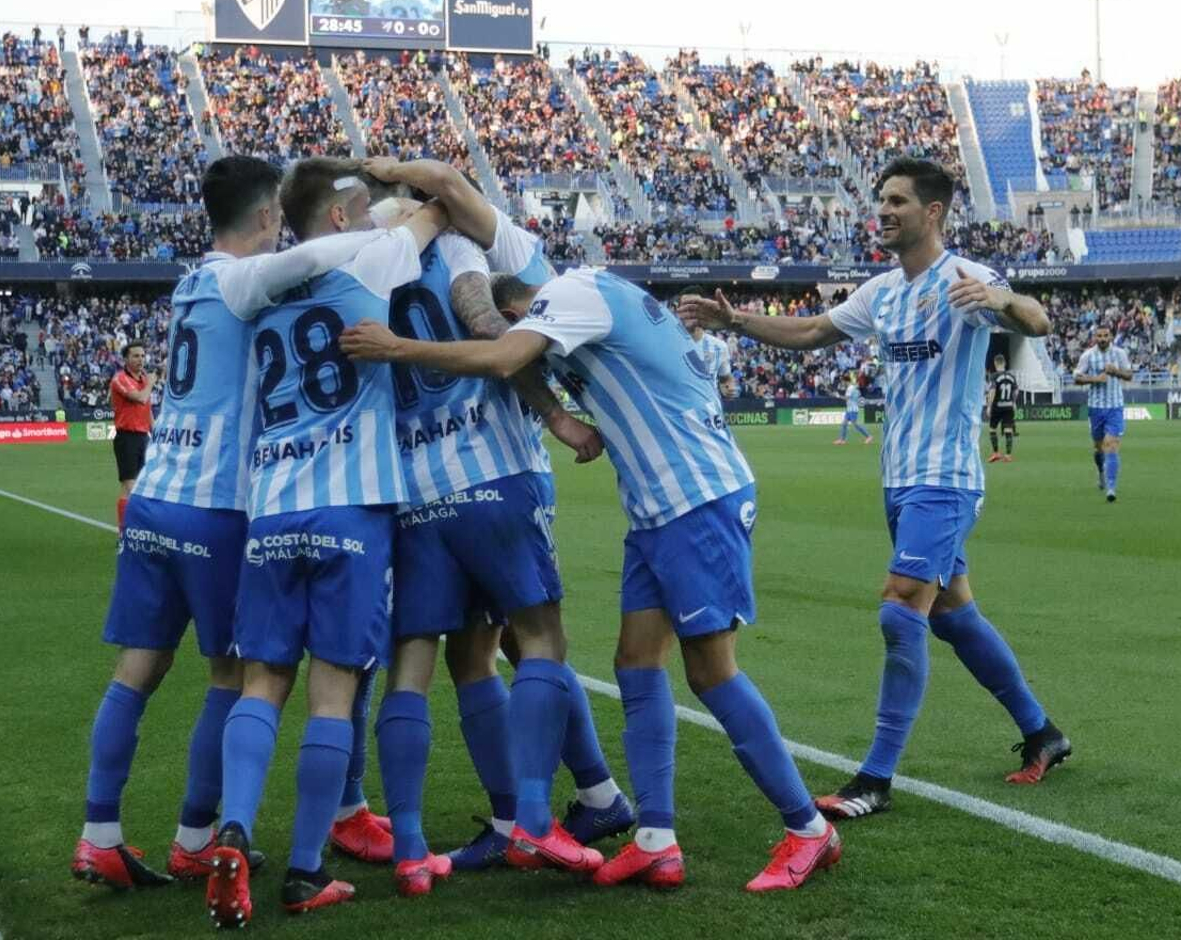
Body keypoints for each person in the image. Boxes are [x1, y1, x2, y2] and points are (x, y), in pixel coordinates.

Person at [341, 270, 842, 894]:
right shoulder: (579, 309)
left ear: (523, 311)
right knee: (634, 663)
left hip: (697, 498)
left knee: (711, 671)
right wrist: (555, 415)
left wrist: (399, 347)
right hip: (656, 509)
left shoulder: (571, 297)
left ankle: (808, 829)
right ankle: (656, 840)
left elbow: (504, 358)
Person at [678, 158, 1072, 821]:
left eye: (896, 201)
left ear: (934, 211)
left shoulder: (967, 279)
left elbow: (1037, 320)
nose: (882, 210)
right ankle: (1042, 731)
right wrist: (736, 320)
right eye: (880, 200)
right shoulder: (883, 291)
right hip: (898, 479)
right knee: (951, 613)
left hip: (944, 479)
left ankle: (875, 777)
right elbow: (809, 332)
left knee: (899, 609)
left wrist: (1002, 300)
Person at [71, 156, 394, 894]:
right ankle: (193, 836)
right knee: (234, 675)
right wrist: (384, 234)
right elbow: (314, 257)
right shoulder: (241, 280)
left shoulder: (189, 283)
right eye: (276, 220)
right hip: (214, 507)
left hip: (153, 498)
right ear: (263, 219)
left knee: (136, 671)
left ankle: (99, 833)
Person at [352, 156, 627, 894]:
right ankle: (540, 815)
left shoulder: (360, 262)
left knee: (436, 658)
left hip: (412, 491)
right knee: (537, 639)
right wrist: (558, 413)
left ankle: (416, 845)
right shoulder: (455, 250)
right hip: (494, 471)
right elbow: (489, 331)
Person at [205, 158, 469, 925]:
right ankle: (303, 869)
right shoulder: (375, 260)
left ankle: (234, 829)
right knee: (334, 692)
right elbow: (440, 211)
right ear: (344, 216)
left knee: (262, 683)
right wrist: (401, 195)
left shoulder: (255, 289)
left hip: (273, 506)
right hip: (350, 508)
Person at [1074, 325, 1132, 502]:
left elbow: (1129, 375)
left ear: (1111, 336)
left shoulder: (1120, 354)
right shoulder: (1088, 356)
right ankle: (1101, 471)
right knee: (1099, 448)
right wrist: (1095, 379)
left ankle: (1111, 487)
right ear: (1094, 337)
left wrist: (1116, 372)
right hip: (1095, 408)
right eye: (1099, 336)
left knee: (1111, 445)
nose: (1103, 339)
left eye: (1106, 335)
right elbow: (1077, 377)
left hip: (1115, 407)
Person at [109, 342, 156, 527]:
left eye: (143, 356)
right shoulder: (120, 379)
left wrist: (156, 433)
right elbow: (141, 398)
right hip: (126, 437)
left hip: (143, 437)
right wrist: (151, 383)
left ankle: (133, 528)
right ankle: (125, 531)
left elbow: (147, 408)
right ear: (126, 359)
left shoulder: (143, 379)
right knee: (130, 486)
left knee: (141, 486)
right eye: (136, 356)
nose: (141, 360)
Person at [685, 313, 736, 398]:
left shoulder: (719, 346)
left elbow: (725, 377)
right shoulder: (670, 343)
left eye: (694, 310)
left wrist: (728, 387)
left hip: (708, 404)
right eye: (687, 310)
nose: (690, 315)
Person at [986, 355, 1019, 463]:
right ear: (1004, 363)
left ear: (996, 364)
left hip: (997, 406)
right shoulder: (1011, 376)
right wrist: (1013, 402)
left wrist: (989, 406)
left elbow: (992, 390)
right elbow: (1016, 391)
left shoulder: (994, 376)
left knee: (992, 429)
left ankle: (996, 453)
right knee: (1008, 430)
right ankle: (1008, 455)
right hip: (1009, 406)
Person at [836, 377, 872, 445]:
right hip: (849, 409)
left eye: (843, 382)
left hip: (853, 409)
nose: (843, 383)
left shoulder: (850, 388)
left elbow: (846, 398)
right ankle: (842, 440)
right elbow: (856, 395)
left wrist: (838, 396)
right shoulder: (853, 387)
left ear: (846, 381)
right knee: (844, 423)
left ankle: (869, 436)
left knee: (855, 424)